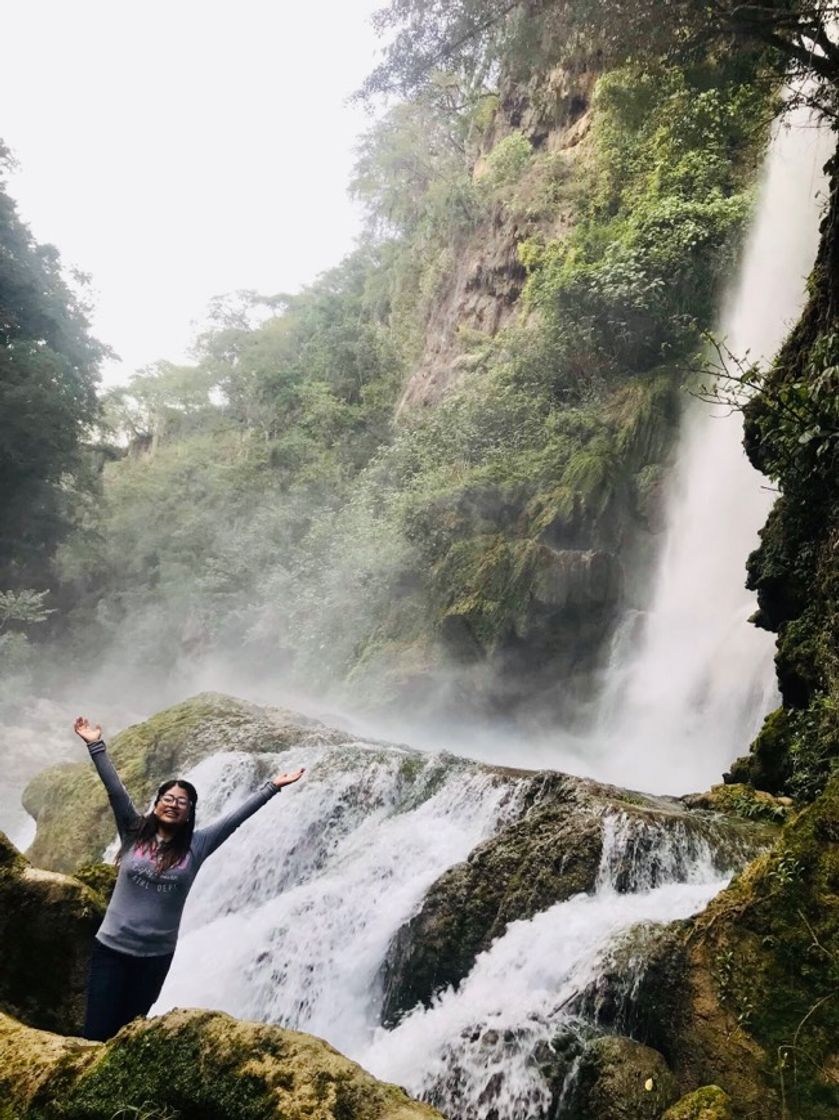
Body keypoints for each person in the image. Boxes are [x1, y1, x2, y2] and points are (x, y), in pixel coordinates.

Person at [73, 715, 304, 1041]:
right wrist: (95, 743)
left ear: (189, 813)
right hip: (111, 950)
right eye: (167, 799)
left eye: (182, 802)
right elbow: (115, 790)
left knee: (125, 1038)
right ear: (156, 806)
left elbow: (235, 819)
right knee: (94, 1033)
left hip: (154, 959)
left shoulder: (199, 845)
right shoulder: (134, 831)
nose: (173, 804)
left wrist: (273, 787)